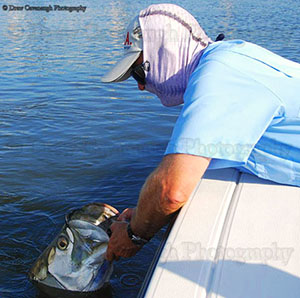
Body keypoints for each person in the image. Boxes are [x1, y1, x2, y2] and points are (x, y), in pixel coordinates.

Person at [101, 3, 300, 261]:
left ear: (165, 53)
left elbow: (171, 190)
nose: (141, 87)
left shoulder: (217, 77)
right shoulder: (230, 55)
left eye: (139, 72)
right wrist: (142, 213)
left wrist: (133, 236)